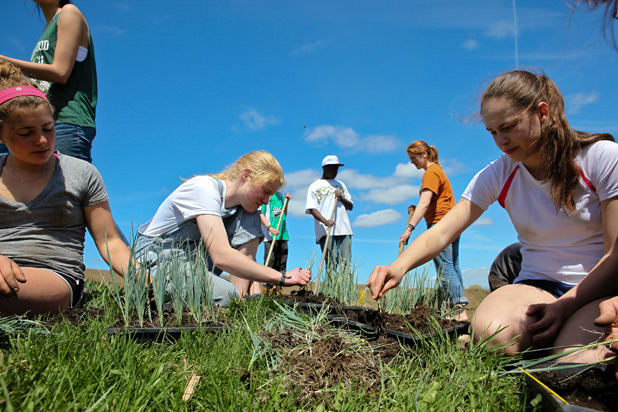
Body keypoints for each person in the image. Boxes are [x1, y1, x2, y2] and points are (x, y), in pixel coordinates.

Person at [367, 69, 618, 362]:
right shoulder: (500, 172)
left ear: (542, 113)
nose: (501, 141)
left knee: (578, 362)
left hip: (598, 287)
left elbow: (614, 254)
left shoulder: (601, 157)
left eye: (509, 127)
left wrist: (564, 307)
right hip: (537, 285)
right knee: (493, 333)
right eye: (493, 132)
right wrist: (399, 266)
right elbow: (442, 231)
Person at [0, 62, 130, 315]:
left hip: (53, 275)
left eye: (48, 129)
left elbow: (110, 241)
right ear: (1, 135)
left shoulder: (81, 173)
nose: (41, 140)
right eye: (25, 133)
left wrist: (143, 279)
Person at [134, 151, 311, 306]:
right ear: (246, 175)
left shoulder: (245, 209)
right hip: (159, 263)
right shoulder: (204, 188)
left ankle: (237, 306)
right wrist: (280, 277)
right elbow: (221, 256)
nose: (266, 201)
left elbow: (245, 258)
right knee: (226, 295)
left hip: (194, 266)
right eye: (265, 191)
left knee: (251, 215)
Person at [0, 0, 97, 162]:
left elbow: (61, 72)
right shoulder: (47, 30)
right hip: (40, 123)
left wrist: (4, 61)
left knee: (66, 185)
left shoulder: (69, 12)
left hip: (66, 121)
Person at [399, 141, 468, 317]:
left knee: (445, 267)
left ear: (424, 155)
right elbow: (429, 202)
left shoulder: (431, 172)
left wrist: (409, 228)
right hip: (451, 222)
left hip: (440, 224)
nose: (411, 162)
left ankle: (459, 310)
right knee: (452, 265)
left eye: (413, 158)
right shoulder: (437, 171)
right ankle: (460, 310)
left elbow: (425, 202)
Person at [305, 155, 354, 273]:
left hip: (344, 228)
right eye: (332, 169)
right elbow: (312, 208)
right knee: (331, 262)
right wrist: (325, 221)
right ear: (325, 168)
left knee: (346, 263)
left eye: (337, 169)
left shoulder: (341, 185)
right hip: (326, 230)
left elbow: (350, 206)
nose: (335, 172)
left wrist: (341, 198)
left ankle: (344, 290)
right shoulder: (314, 186)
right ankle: (330, 290)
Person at [259, 191, 290, 291]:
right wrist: (270, 228)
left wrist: (287, 202)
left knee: (282, 263)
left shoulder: (280, 195)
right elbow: (260, 214)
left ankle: (279, 287)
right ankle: (267, 287)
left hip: (282, 234)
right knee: (270, 262)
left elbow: (283, 214)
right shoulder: (265, 195)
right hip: (270, 236)